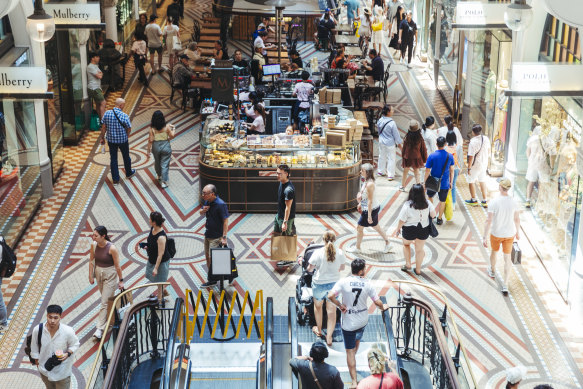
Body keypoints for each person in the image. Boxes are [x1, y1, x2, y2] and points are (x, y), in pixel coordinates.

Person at [328, 258, 390, 389]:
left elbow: (330, 296)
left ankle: (354, 381)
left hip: (348, 323)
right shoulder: (368, 284)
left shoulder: (343, 282)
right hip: (362, 320)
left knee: (349, 352)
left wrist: (340, 305)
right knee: (357, 339)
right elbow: (377, 302)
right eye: (365, 268)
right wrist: (383, 306)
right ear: (361, 270)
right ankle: (353, 356)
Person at [306, 231, 346, 345]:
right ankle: (329, 337)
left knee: (318, 307)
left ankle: (319, 330)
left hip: (319, 284)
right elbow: (342, 268)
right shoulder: (340, 252)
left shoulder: (317, 253)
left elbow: (309, 269)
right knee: (331, 311)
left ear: (323, 240)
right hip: (334, 285)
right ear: (334, 240)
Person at [482, 178, 520, 295]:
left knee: (494, 252)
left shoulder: (494, 202)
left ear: (500, 187)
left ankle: (492, 271)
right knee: (507, 258)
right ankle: (505, 284)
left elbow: (489, 220)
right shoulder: (514, 202)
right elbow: (517, 219)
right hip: (509, 234)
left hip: (496, 233)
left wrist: (484, 236)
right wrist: (518, 232)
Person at [30, 305, 80, 389]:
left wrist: (67, 354)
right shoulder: (38, 329)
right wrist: (38, 363)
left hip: (62, 371)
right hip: (45, 370)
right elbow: (34, 347)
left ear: (60, 317)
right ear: (47, 316)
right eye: (50, 317)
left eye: (56, 318)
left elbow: (75, 344)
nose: (52, 321)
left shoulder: (68, 331)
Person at [347, 163, 393, 254]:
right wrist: (360, 203)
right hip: (372, 208)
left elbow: (370, 201)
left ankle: (357, 248)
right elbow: (366, 196)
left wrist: (368, 216)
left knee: (360, 227)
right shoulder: (367, 181)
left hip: (370, 209)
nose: (360, 172)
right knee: (376, 226)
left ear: (367, 172)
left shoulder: (370, 184)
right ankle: (388, 243)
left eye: (362, 171)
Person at [88, 226, 124, 339]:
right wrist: (90, 275)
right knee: (107, 300)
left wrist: (121, 280)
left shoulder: (112, 248)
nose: (93, 237)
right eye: (93, 235)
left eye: (96, 235)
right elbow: (91, 260)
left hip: (110, 274)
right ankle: (114, 316)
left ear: (103, 236)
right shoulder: (93, 245)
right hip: (99, 273)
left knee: (104, 302)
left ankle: (100, 328)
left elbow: (117, 266)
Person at [392, 184, 436, 275]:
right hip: (423, 228)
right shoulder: (427, 203)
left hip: (409, 229)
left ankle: (408, 265)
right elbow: (433, 215)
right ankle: (418, 270)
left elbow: (402, 220)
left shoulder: (407, 205)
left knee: (406, 244)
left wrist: (398, 229)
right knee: (419, 250)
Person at [99, 98, 135, 185]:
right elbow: (129, 128)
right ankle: (129, 173)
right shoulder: (124, 116)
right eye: (124, 104)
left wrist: (102, 137)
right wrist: (126, 135)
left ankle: (115, 179)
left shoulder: (107, 113)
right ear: (121, 105)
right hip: (123, 140)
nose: (124, 106)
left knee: (113, 159)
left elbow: (103, 127)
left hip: (111, 140)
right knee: (126, 156)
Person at [199, 184, 229, 288]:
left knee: (214, 259)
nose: (203, 195)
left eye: (205, 193)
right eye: (202, 193)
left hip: (216, 237)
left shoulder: (221, 205)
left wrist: (224, 237)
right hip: (208, 234)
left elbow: (225, 221)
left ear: (212, 194)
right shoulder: (208, 201)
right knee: (207, 257)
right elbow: (201, 212)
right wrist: (203, 211)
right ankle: (212, 277)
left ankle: (214, 279)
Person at [424, 136, 454, 225]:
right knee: (442, 201)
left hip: (433, 182)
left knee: (430, 197)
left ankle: (432, 214)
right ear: (445, 144)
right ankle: (439, 219)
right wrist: (451, 182)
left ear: (436, 144)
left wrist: (424, 182)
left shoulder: (432, 156)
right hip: (444, 183)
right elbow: (452, 170)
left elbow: (427, 170)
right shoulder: (450, 156)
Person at [146, 110, 176, 188]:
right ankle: (164, 182)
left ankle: (159, 175)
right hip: (165, 146)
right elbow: (172, 136)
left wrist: (148, 151)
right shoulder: (167, 127)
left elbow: (150, 140)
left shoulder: (152, 129)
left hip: (156, 146)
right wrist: (173, 129)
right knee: (165, 164)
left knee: (157, 162)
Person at [144, 211, 170, 296]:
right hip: (152, 259)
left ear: (154, 222)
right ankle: (164, 290)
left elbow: (160, 255)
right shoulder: (153, 229)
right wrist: (147, 246)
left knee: (160, 282)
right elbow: (152, 241)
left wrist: (156, 268)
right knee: (156, 279)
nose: (149, 220)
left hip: (161, 263)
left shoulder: (161, 237)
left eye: (150, 219)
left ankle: (159, 302)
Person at [465, 124, 491, 208]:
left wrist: (469, 168)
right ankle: (484, 200)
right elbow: (489, 151)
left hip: (475, 165)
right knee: (482, 180)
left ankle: (474, 200)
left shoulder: (473, 142)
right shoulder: (486, 139)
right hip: (484, 164)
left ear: (473, 132)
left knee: (471, 181)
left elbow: (471, 157)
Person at [376, 104, 402, 180]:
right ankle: (390, 175)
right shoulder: (392, 123)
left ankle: (381, 171)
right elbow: (396, 136)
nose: (393, 111)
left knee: (382, 156)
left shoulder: (380, 120)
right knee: (391, 158)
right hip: (390, 144)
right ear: (388, 112)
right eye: (392, 110)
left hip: (381, 141)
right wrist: (400, 146)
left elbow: (378, 131)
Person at [400, 120, 427, 192]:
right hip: (417, 157)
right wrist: (424, 159)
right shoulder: (420, 138)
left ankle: (402, 186)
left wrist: (403, 156)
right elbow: (423, 149)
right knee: (417, 172)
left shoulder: (407, 138)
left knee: (405, 171)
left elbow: (404, 149)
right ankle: (418, 187)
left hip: (408, 157)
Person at [274, 164, 296, 237]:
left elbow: (288, 207)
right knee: (277, 236)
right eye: (277, 173)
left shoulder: (288, 190)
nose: (277, 175)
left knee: (286, 239)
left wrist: (285, 222)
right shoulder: (282, 182)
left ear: (286, 174)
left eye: (280, 174)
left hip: (286, 219)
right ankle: (277, 248)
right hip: (279, 215)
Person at [445, 128, 461, 210]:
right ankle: (453, 204)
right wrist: (459, 169)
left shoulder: (445, 148)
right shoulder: (458, 147)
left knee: (446, 185)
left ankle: (445, 202)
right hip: (455, 168)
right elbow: (460, 159)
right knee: (453, 186)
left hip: (446, 169)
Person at [87, 52, 105, 120]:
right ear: (92, 58)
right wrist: (100, 74)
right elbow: (99, 76)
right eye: (97, 57)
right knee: (103, 103)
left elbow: (101, 74)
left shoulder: (95, 66)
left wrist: (100, 74)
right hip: (94, 88)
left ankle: (101, 119)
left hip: (96, 87)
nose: (98, 58)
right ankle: (103, 121)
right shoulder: (90, 67)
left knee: (98, 104)